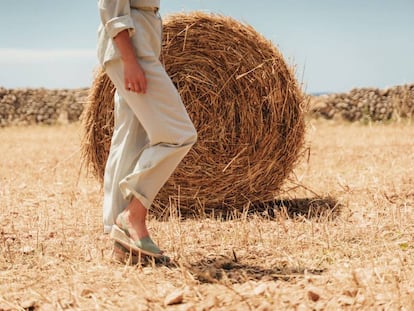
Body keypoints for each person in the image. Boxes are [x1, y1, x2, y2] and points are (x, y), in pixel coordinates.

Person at [97, 0, 197, 260]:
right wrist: (130, 60)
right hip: (130, 48)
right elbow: (110, 6)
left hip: (141, 43)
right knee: (180, 135)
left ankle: (123, 244)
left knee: (130, 138)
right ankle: (132, 216)